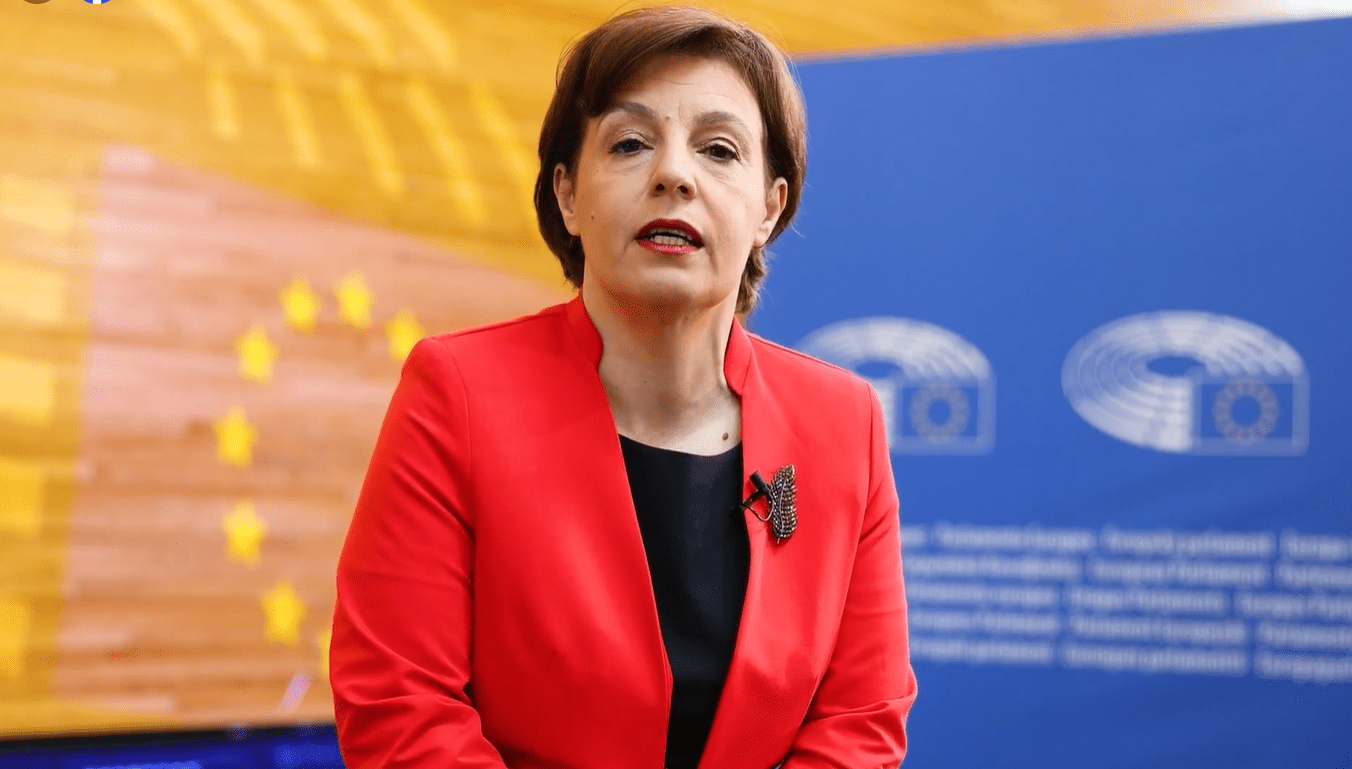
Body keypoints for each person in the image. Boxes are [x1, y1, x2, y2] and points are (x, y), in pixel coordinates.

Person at [329, 6, 917, 768]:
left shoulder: (843, 421)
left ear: (769, 208)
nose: (674, 174)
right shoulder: (457, 393)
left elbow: (861, 719)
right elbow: (400, 703)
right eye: (631, 143)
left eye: (718, 148)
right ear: (568, 195)